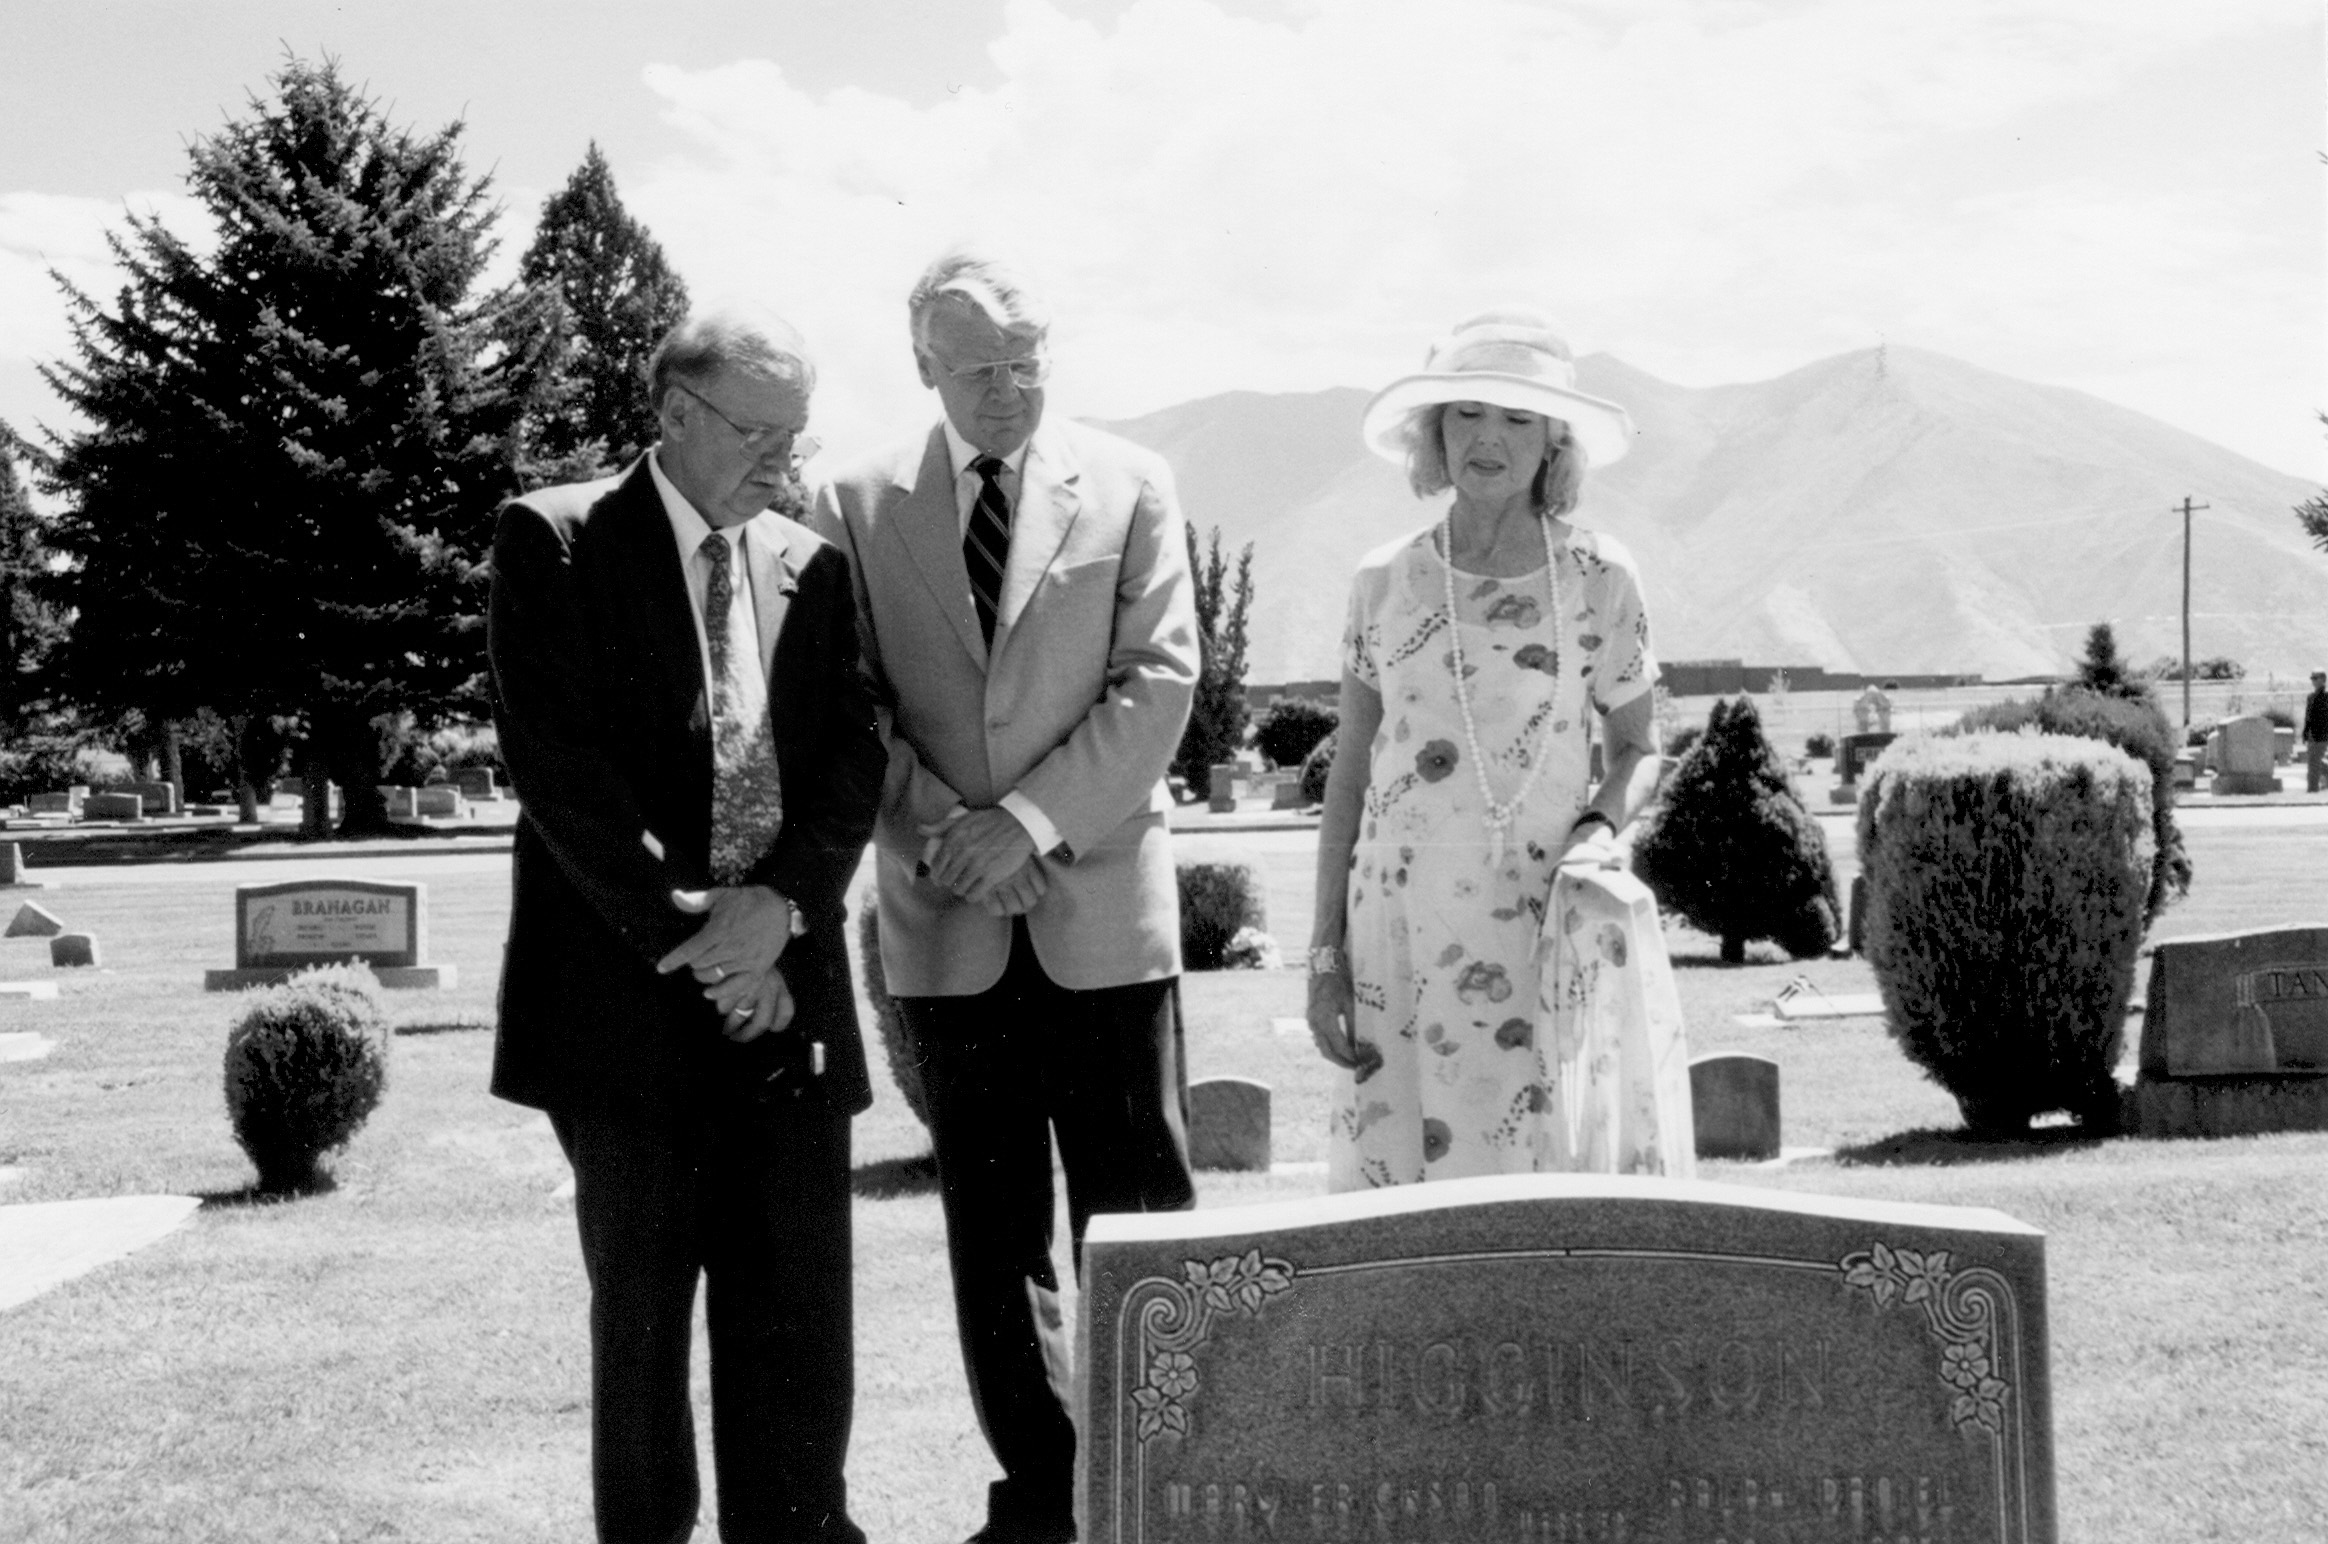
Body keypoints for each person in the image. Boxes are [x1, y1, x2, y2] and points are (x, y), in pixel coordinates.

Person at [812, 248, 1199, 1544]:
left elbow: (1159, 683)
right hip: (946, 921)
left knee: (1142, 1221)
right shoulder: (853, 501)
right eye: (976, 368)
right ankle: (1043, 1500)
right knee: (993, 1236)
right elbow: (845, 702)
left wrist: (1028, 823)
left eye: (1026, 363)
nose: (1005, 390)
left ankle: (1166, 1492)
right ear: (923, 363)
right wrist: (950, 833)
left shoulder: (1136, 485)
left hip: (1103, 921)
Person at [489, 306, 885, 1544]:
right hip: (625, 1007)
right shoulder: (553, 538)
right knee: (645, 1330)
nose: (783, 458)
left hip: (786, 997)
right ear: (673, 411)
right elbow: (561, 771)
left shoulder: (810, 563)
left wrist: (784, 912)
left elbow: (853, 751)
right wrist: (707, 939)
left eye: (796, 432)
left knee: (798, 1328)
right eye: (758, 430)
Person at [1305, 308, 1687, 1190]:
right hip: (1394, 936)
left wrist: (1600, 827)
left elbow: (1640, 747)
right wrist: (1325, 958)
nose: (1491, 437)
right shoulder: (1382, 581)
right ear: (1433, 432)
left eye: (1519, 418)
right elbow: (1349, 776)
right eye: (1468, 412)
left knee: (1536, 1185)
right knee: (1397, 1207)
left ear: (1555, 442)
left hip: (1539, 930)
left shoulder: (1601, 576)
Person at [2304, 671, 2328, 793]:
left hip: (2322, 734)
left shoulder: (2326, 697)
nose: (2313, 680)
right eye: (2312, 678)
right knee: (2313, 761)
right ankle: (2314, 786)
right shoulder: (2310, 697)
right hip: (2312, 735)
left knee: (2314, 761)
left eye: (2315, 678)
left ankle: (2312, 788)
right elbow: (2308, 717)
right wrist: (2305, 733)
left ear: (2323, 680)